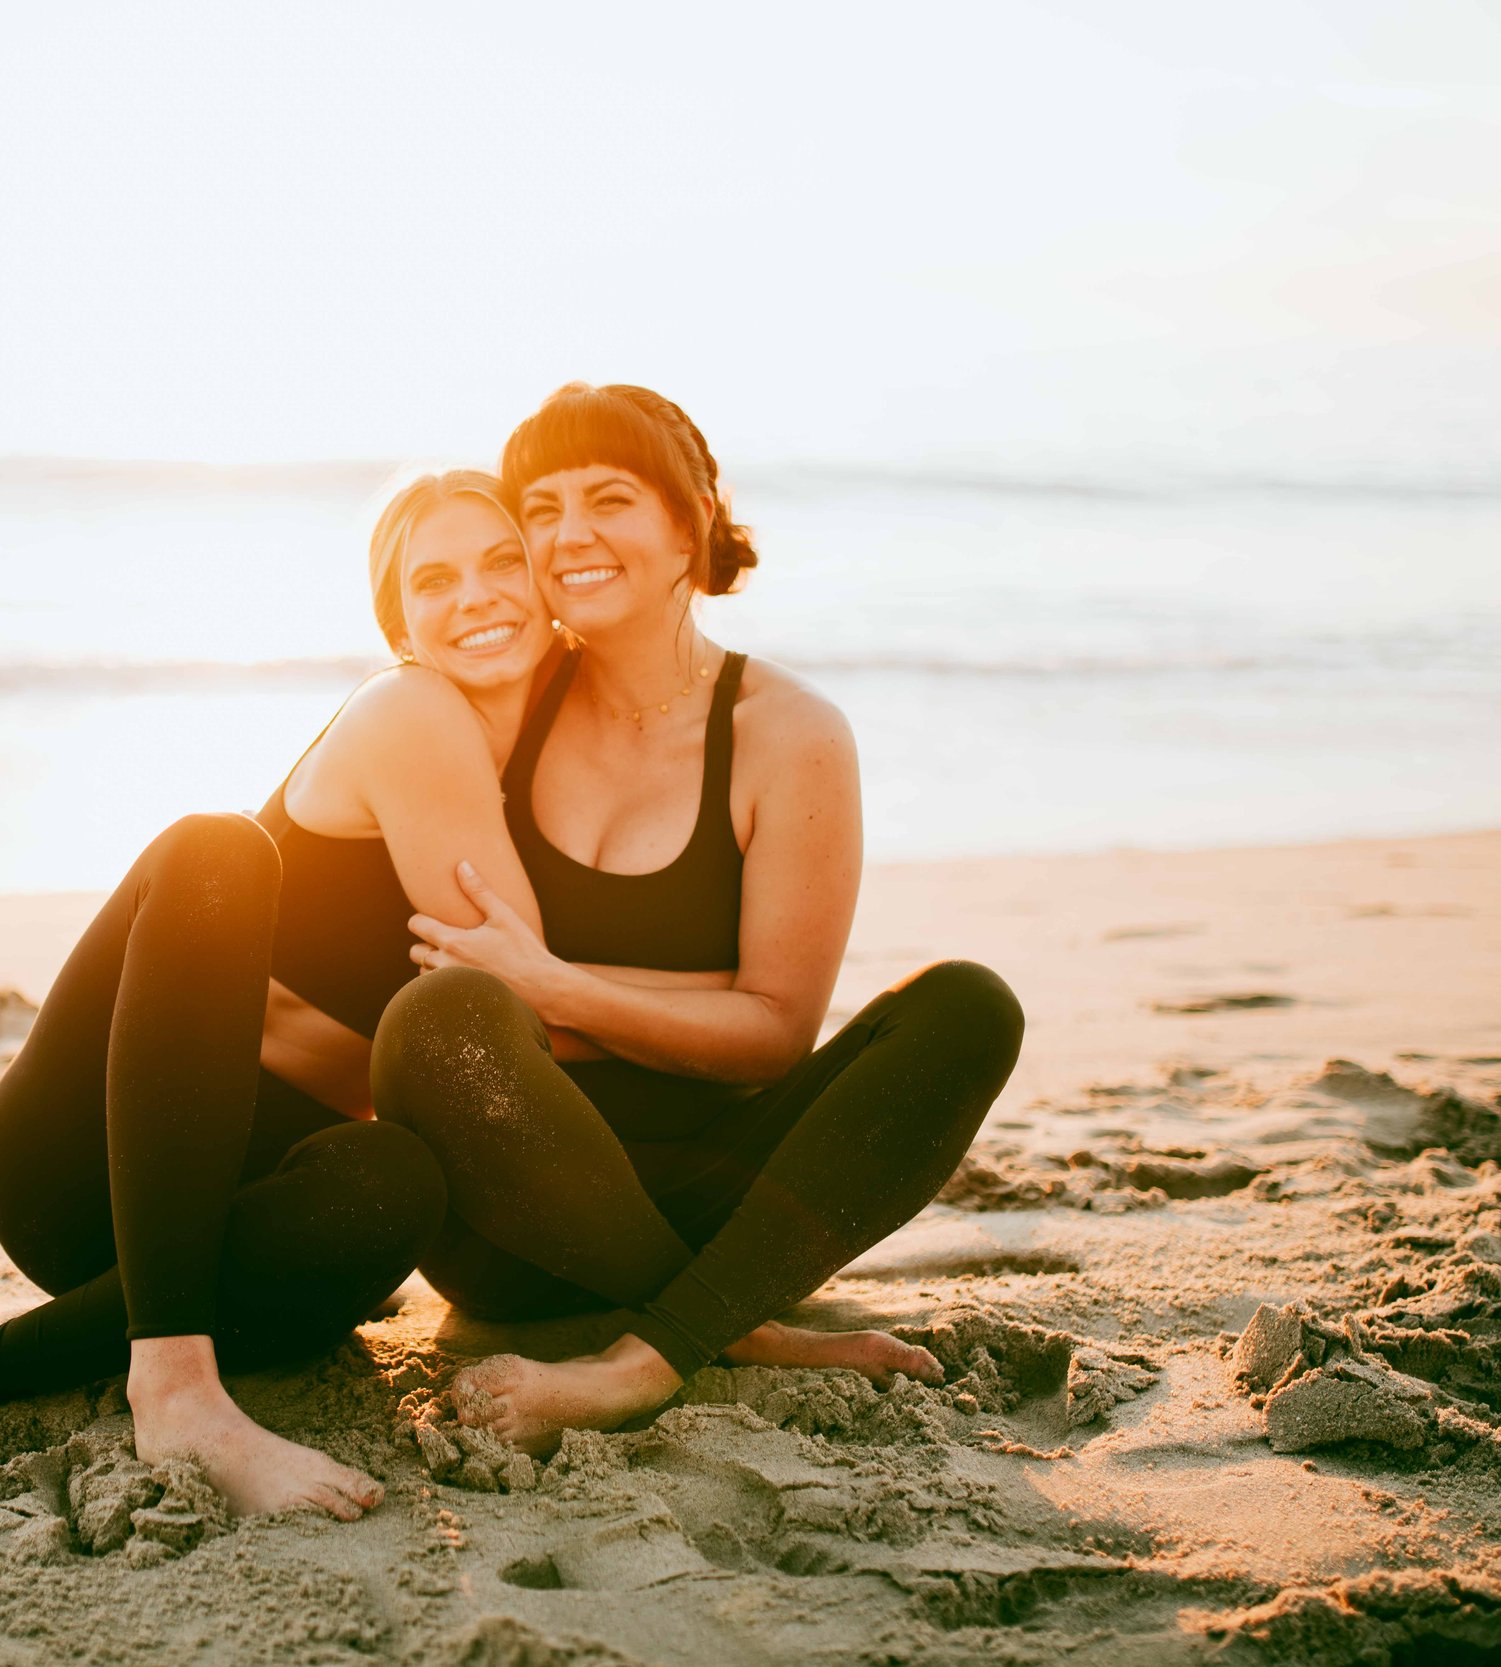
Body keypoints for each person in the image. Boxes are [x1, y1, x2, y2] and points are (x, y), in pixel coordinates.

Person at [0, 471, 562, 1520]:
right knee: (215, 848)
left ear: (546, 579)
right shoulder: (409, 708)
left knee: (398, 1179)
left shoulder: (551, 759)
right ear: (397, 619)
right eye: (435, 577)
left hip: (261, 1218)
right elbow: (519, 986)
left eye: (502, 562)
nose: (477, 595)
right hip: (95, 1165)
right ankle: (172, 1381)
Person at [371, 383, 1027, 1455]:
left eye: (610, 499)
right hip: (510, 1218)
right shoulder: (494, 704)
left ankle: (645, 1359)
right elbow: (454, 989)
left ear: (690, 522)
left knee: (966, 1005)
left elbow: (769, 1036)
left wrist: (555, 990)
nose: (569, 535)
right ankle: (728, 1324)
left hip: (725, 1200)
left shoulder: (787, 734)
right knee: (436, 1018)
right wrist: (662, 1010)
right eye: (538, 510)